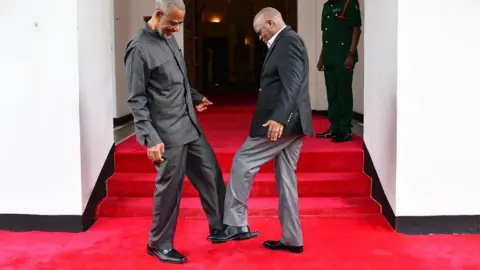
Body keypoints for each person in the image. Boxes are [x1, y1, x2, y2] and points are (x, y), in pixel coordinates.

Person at [124, 0, 226, 264]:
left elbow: (176, 80)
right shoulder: (139, 48)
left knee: (210, 171)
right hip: (166, 132)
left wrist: (194, 97)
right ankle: (158, 243)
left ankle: (221, 227)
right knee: (170, 188)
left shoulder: (167, 36)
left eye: (180, 23)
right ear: (158, 15)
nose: (177, 28)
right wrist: (150, 138)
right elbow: (137, 99)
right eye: (173, 23)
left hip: (189, 123)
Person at [208, 7, 312, 254]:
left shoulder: (288, 42)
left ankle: (235, 224)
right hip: (292, 123)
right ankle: (292, 239)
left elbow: (293, 85)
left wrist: (280, 119)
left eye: (260, 31)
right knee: (286, 180)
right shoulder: (284, 42)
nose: (259, 36)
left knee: (243, 161)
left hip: (281, 124)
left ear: (270, 22)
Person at [315, 0, 362, 142]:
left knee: (343, 93)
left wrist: (350, 54)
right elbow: (327, 36)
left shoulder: (349, 3)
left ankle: (345, 129)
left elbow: (356, 30)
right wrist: (322, 57)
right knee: (332, 94)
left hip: (343, 57)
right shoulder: (326, 7)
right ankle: (334, 127)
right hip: (329, 57)